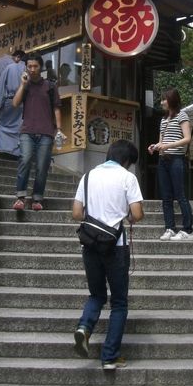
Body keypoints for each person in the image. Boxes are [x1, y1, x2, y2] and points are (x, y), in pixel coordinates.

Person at [72, 140, 144, 370]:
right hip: (116, 246)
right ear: (127, 160)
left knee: (96, 295)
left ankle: (84, 328)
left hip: (90, 244)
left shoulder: (88, 176)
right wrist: (125, 217)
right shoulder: (127, 178)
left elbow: (76, 213)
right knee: (119, 302)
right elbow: (137, 214)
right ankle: (109, 356)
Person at [11, 52, 63, 211]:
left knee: (42, 166)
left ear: (41, 67)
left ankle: (37, 198)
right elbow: (15, 103)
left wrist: (59, 129)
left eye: (35, 66)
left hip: (46, 132)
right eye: (29, 66)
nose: (32, 69)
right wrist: (22, 84)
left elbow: (57, 108)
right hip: (27, 131)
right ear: (26, 67)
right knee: (25, 160)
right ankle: (20, 197)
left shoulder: (50, 86)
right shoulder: (25, 85)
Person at [148, 88, 193, 241]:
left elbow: (187, 138)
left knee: (180, 195)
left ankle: (188, 231)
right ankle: (170, 228)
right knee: (166, 197)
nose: (162, 102)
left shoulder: (182, 115)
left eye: (164, 99)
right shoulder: (163, 119)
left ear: (172, 100)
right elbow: (161, 141)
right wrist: (155, 146)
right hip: (163, 160)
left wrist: (167, 146)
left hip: (176, 159)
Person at [0, 49, 26, 157]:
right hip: (22, 101)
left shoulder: (9, 67)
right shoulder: (26, 69)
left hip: (9, 99)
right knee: (17, 126)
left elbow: (1, 86)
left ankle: (3, 148)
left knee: (4, 124)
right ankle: (15, 150)